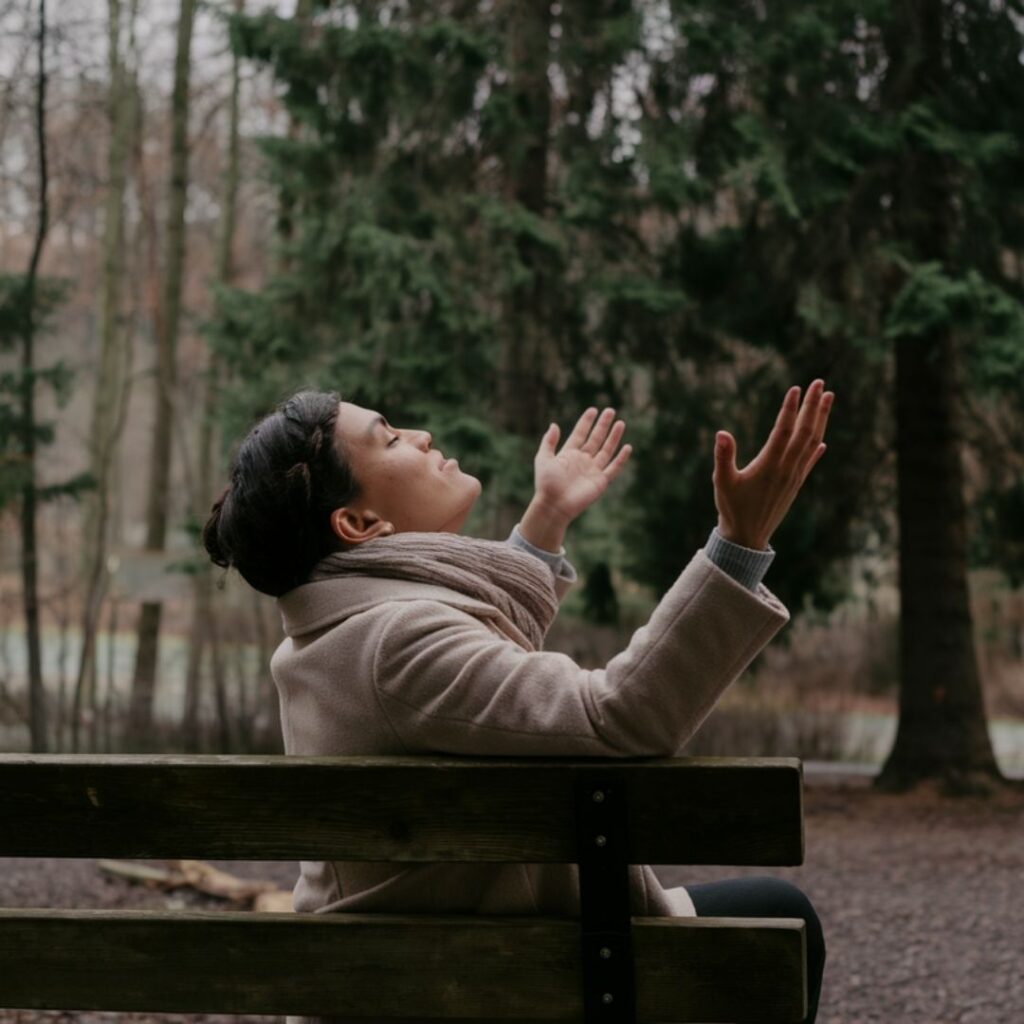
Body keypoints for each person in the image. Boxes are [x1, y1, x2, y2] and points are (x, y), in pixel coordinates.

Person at [203, 381, 834, 1023]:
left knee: (771, 916)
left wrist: (546, 518)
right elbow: (616, 715)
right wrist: (738, 544)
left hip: (419, 975)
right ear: (361, 524)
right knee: (783, 918)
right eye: (390, 439)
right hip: (477, 986)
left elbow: (482, 679)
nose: (422, 437)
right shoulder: (393, 646)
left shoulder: (339, 636)